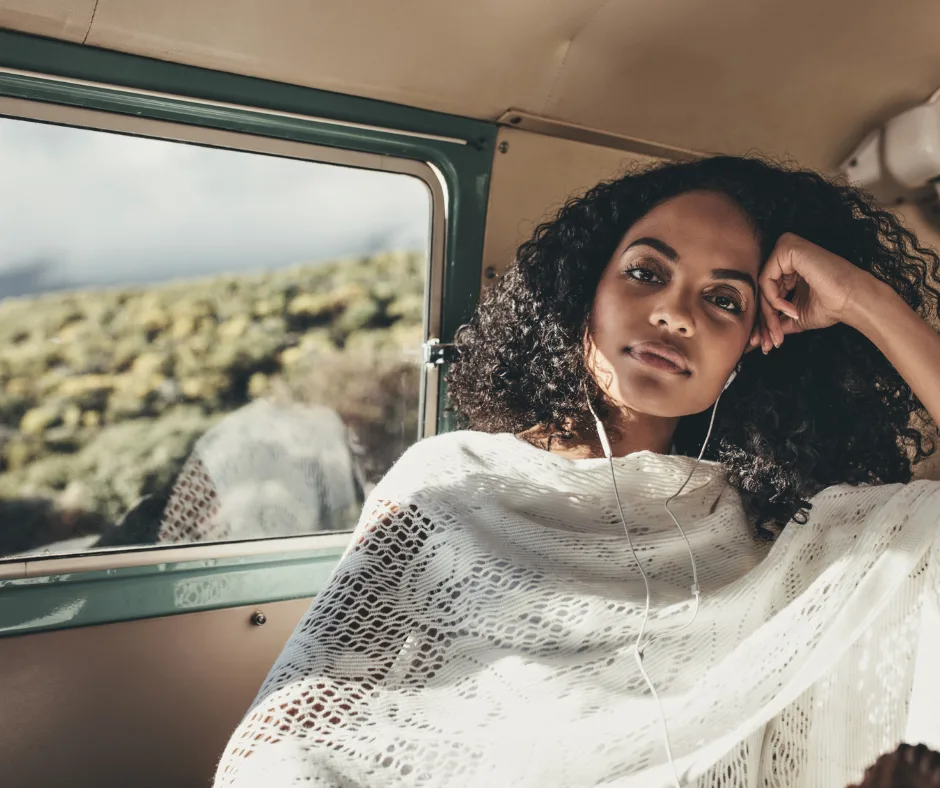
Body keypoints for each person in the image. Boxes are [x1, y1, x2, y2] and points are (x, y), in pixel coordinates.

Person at [213, 156, 940, 787]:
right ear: (584, 291)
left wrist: (864, 302)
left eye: (724, 299)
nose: (675, 314)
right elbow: (296, 729)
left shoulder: (779, 531)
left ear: (755, 342)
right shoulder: (449, 483)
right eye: (646, 272)